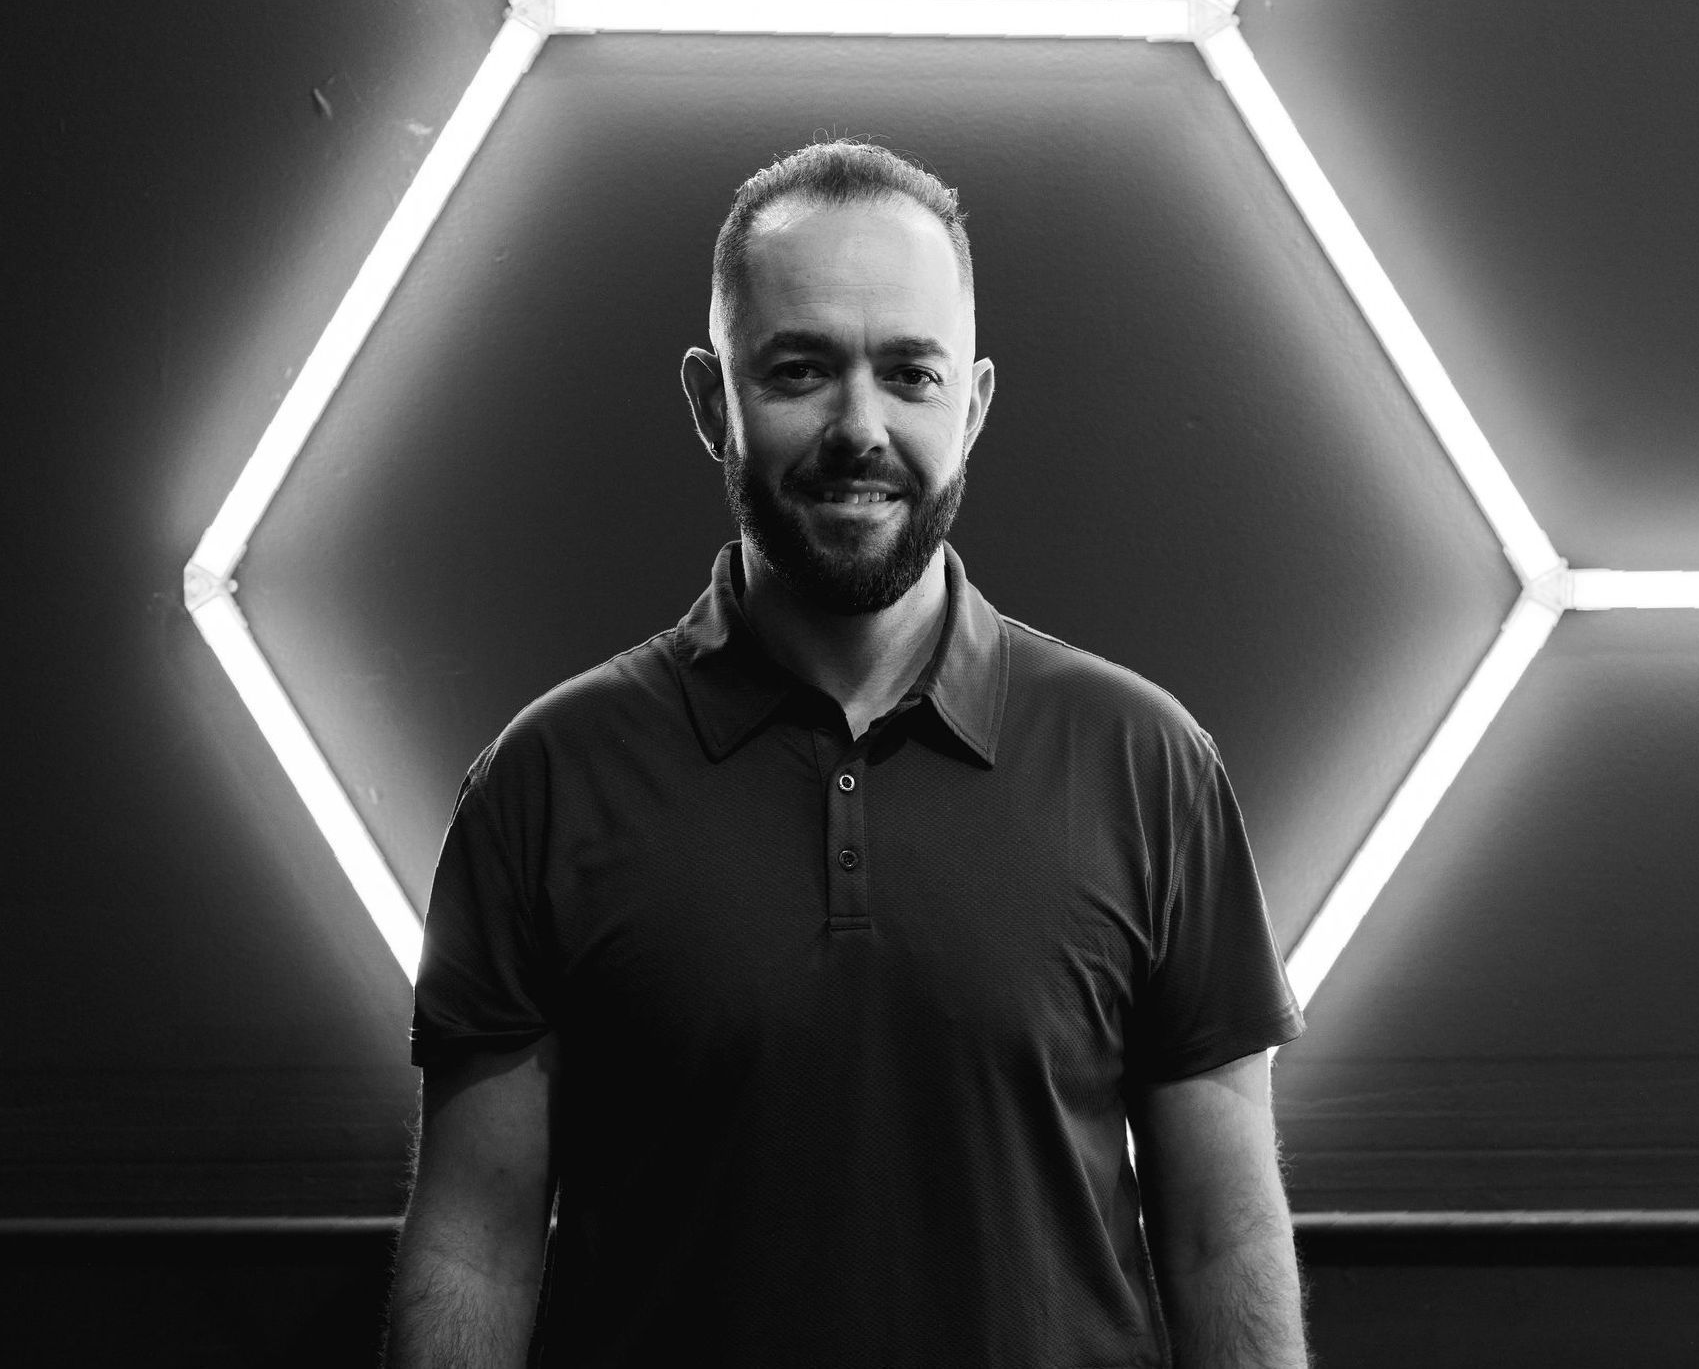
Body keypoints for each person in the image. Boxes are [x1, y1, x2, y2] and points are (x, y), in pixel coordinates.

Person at [385, 140, 1308, 1368]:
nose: (859, 427)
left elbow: (1223, 1237)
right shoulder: (545, 781)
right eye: (801, 369)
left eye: (909, 374)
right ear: (712, 399)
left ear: (971, 405)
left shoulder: (1148, 764)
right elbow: (476, 1245)